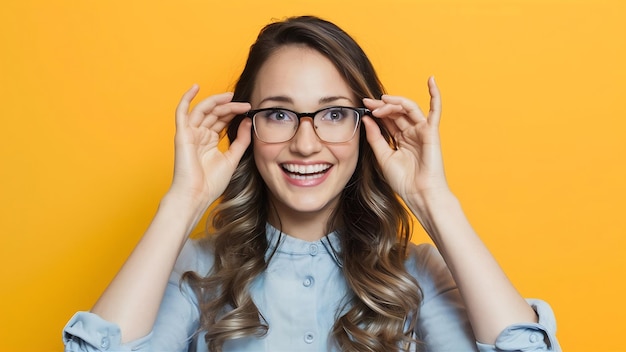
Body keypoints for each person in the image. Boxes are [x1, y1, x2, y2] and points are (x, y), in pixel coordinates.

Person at [63, 16, 560, 352]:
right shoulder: (197, 268)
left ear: (368, 129)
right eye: (279, 114)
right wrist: (182, 204)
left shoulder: (418, 274)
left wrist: (434, 202)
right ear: (246, 128)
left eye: (333, 113)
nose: (306, 143)